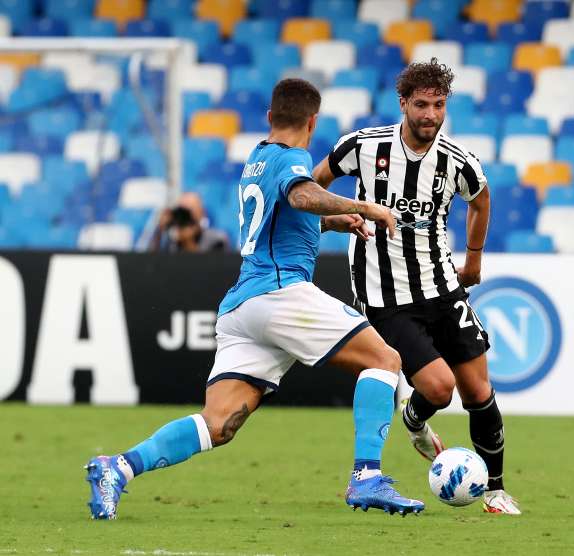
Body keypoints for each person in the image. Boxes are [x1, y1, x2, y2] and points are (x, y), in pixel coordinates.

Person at [84, 78, 424, 520]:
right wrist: (366, 208)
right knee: (384, 360)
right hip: (281, 294)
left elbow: (286, 219)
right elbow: (302, 194)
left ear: (270, 117)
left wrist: (337, 222)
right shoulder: (294, 160)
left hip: (244, 306)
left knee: (218, 423)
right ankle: (366, 476)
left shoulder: (258, 159)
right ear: (313, 121)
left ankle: (118, 468)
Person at [313, 59, 521, 514]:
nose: (430, 114)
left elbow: (482, 201)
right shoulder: (363, 147)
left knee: (478, 391)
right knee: (441, 388)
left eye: (439, 105)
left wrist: (474, 260)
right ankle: (415, 419)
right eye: (422, 104)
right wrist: (332, 221)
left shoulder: (457, 161)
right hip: (386, 298)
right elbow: (312, 185)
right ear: (403, 103)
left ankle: (496, 491)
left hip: (443, 286)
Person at [149, 192, 230, 252]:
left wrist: (188, 241)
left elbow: (213, 268)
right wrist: (160, 231)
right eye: (182, 211)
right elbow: (152, 264)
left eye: (189, 211)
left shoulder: (216, 239)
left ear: (201, 213)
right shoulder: (171, 241)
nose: (185, 217)